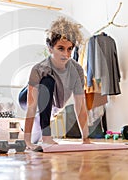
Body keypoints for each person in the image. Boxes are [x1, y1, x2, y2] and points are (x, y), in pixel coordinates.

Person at [19, 16, 91, 149]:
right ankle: (46, 136)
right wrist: (27, 142)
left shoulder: (77, 71)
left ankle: (33, 130)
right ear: (50, 48)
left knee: (36, 132)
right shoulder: (39, 69)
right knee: (48, 81)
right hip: (28, 98)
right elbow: (31, 106)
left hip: (52, 104)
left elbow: (80, 105)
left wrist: (85, 138)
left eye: (70, 49)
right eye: (61, 48)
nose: (66, 54)